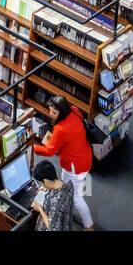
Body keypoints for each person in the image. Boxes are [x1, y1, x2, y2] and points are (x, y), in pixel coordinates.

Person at [32, 94, 94, 230]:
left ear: (62, 111)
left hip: (75, 165)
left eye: (54, 112)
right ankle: (66, 211)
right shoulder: (74, 110)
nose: (50, 114)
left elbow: (49, 151)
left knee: (77, 197)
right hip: (83, 156)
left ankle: (89, 226)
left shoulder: (60, 130)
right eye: (50, 110)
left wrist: (33, 148)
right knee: (66, 187)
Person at [29, 160, 75, 232]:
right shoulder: (69, 185)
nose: (41, 185)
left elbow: (52, 228)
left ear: (46, 181)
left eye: (41, 183)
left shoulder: (55, 202)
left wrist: (39, 208)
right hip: (65, 224)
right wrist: (46, 190)